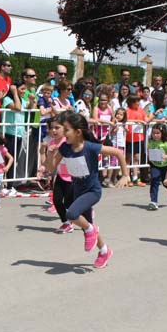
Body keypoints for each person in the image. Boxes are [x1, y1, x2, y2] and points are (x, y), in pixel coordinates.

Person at [46, 113, 128, 269]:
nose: (63, 133)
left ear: (78, 132)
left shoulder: (91, 147)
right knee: (86, 225)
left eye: (66, 130)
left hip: (92, 191)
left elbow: (118, 153)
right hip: (78, 191)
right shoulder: (64, 148)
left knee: (71, 214)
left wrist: (125, 175)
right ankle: (104, 251)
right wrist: (50, 154)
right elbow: (51, 168)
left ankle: (92, 229)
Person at [38, 115, 74, 232]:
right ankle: (66, 222)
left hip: (73, 176)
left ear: (65, 128)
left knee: (69, 202)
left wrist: (57, 150)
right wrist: (43, 153)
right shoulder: (51, 142)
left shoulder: (68, 142)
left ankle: (85, 217)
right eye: (52, 128)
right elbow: (49, 164)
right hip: (60, 175)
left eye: (57, 128)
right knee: (57, 200)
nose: (53, 130)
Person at [146, 123, 167, 210]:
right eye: (153, 133)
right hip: (155, 165)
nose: (155, 135)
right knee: (154, 180)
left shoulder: (165, 143)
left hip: (165, 165)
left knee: (165, 182)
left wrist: (166, 156)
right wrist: (149, 156)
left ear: (162, 133)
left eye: (158, 133)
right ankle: (153, 201)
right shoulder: (150, 142)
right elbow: (148, 150)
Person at [124, 94, 147, 186]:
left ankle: (135, 177)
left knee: (137, 157)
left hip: (139, 136)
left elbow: (145, 120)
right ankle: (127, 178)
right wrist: (136, 121)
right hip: (129, 137)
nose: (138, 103)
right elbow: (126, 119)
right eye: (136, 101)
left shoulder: (141, 110)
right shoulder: (127, 110)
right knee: (128, 158)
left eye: (138, 101)